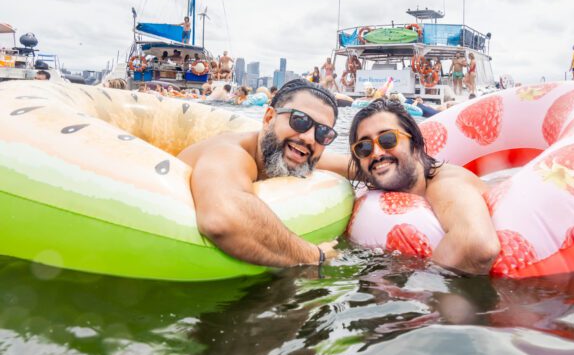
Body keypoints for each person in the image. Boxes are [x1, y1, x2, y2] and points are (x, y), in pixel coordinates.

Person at [178, 79, 340, 267]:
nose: (310, 138)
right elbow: (222, 218)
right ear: (269, 118)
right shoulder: (230, 153)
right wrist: (315, 255)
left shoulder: (298, 152)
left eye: (323, 132)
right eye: (300, 121)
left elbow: (353, 166)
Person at [347, 98, 500, 275]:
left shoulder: (444, 184)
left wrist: (423, 282)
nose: (376, 153)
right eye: (364, 147)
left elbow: (478, 244)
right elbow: (331, 162)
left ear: (415, 144)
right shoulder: (381, 168)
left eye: (388, 139)